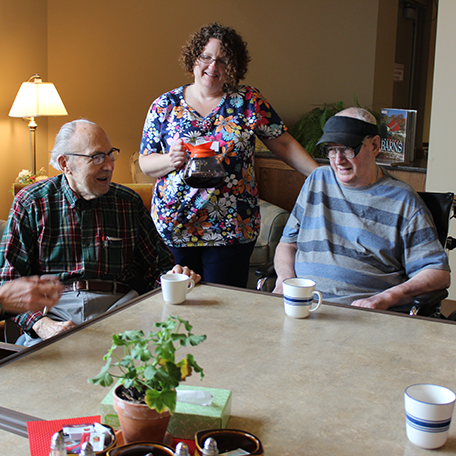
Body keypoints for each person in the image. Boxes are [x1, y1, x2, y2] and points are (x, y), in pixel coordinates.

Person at [139, 22, 319, 288]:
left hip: (232, 227)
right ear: (193, 60)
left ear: (233, 67)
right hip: (175, 227)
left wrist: (321, 176)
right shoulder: (165, 105)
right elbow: (145, 162)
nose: (213, 66)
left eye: (223, 61)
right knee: (177, 308)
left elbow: (284, 145)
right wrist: (170, 160)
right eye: (206, 57)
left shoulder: (248, 101)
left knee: (225, 308)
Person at [0, 119, 200, 346]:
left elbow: (158, 268)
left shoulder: (127, 202)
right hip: (53, 311)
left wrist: (175, 276)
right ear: (65, 163)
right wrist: (41, 324)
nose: (109, 165)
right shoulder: (31, 203)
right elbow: (8, 282)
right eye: (96, 157)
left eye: (110, 154)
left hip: (119, 310)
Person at [273, 107, 450, 310]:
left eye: (348, 148)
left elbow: (438, 273)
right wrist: (284, 283)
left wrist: (386, 298)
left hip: (359, 313)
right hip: (301, 306)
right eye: (331, 149)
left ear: (374, 145)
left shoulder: (403, 200)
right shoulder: (318, 180)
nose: (338, 160)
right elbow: (288, 244)